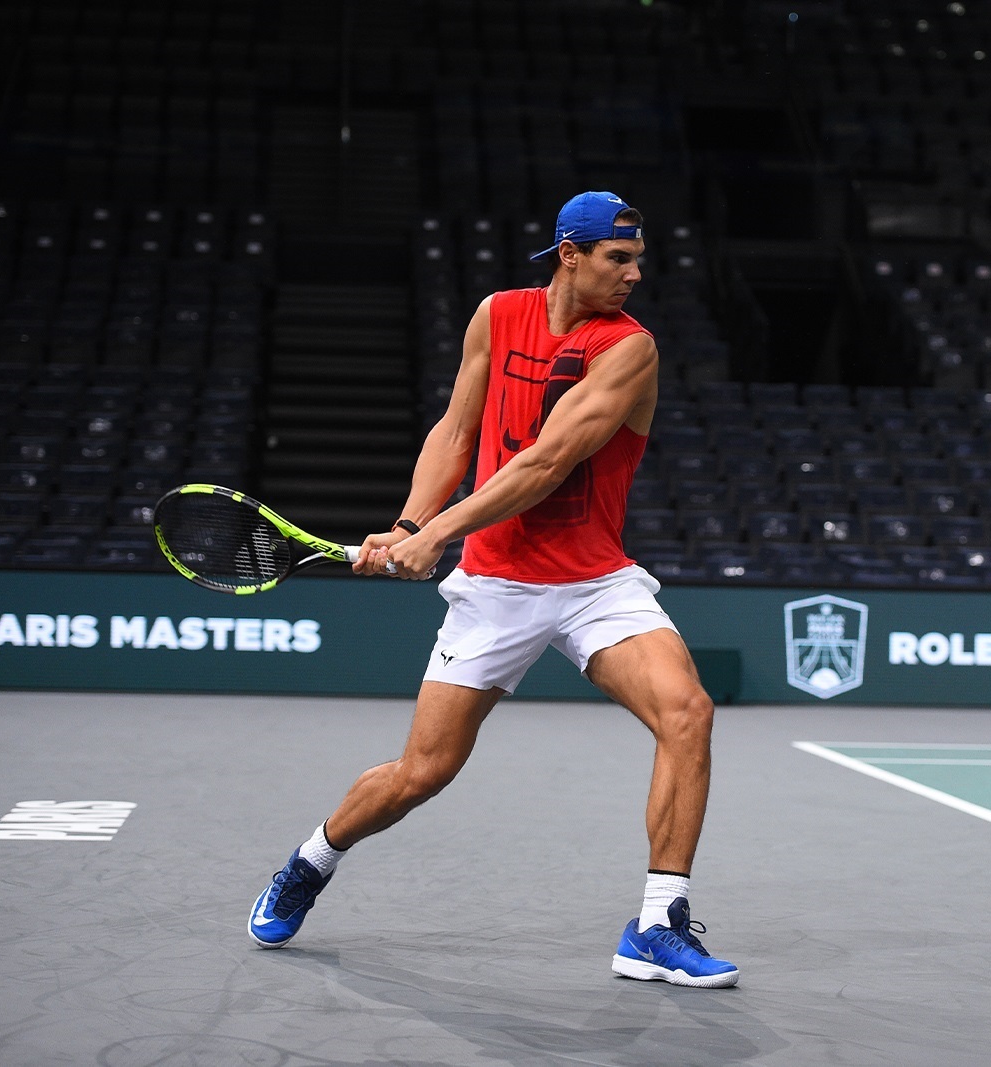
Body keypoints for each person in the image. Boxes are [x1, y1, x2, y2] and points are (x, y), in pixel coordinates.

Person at [246, 191, 738, 988]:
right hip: (497, 587)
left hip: (593, 582)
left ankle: (656, 922)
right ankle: (311, 859)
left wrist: (439, 534)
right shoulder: (496, 314)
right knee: (422, 772)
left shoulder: (630, 348)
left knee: (688, 710)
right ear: (570, 253)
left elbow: (546, 463)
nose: (635, 274)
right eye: (620, 258)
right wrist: (411, 523)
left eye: (639, 259)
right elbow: (457, 430)